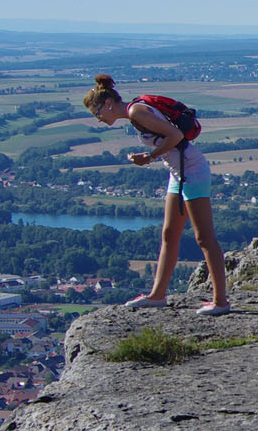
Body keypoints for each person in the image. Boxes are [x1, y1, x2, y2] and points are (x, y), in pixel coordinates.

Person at [83, 74, 232, 315]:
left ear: (108, 104)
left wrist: (149, 158)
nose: (98, 119)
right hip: (178, 172)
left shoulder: (136, 113)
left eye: (97, 113)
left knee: (204, 238)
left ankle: (221, 302)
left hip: (191, 171)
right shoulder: (135, 111)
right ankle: (157, 295)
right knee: (169, 233)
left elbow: (176, 136)